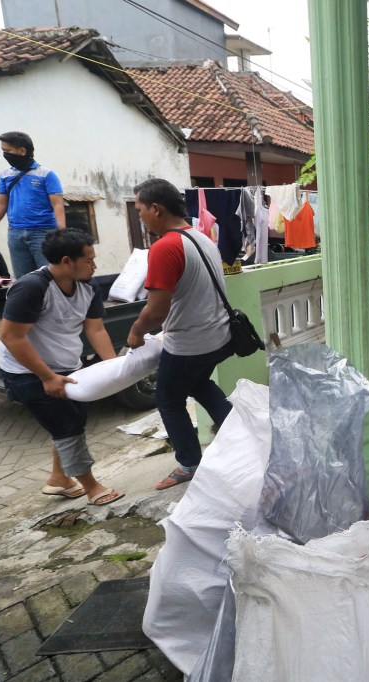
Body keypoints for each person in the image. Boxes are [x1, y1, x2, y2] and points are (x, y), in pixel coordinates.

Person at [0, 229, 123, 506]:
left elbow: (96, 329)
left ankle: (58, 480)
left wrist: (114, 369)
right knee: (67, 425)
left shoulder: (89, 286)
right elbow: (11, 337)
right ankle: (91, 487)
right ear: (67, 261)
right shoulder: (31, 287)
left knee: (73, 419)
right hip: (27, 371)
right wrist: (46, 376)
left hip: (66, 366)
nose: (95, 265)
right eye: (89, 259)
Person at [127, 178, 233, 491]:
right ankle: (239, 435)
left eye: (140, 210)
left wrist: (135, 332)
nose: (140, 217)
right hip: (217, 336)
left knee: (169, 400)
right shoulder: (200, 237)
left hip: (190, 343)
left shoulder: (164, 247)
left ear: (156, 209)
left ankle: (189, 463)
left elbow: (156, 310)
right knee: (199, 384)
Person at [0, 131, 65, 278]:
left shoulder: (46, 174)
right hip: (15, 233)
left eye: (7, 150)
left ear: (22, 151)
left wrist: (61, 232)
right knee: (24, 279)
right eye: (3, 151)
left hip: (44, 232)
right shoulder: (5, 175)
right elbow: (1, 203)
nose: (5, 154)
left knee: (50, 276)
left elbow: (57, 204)